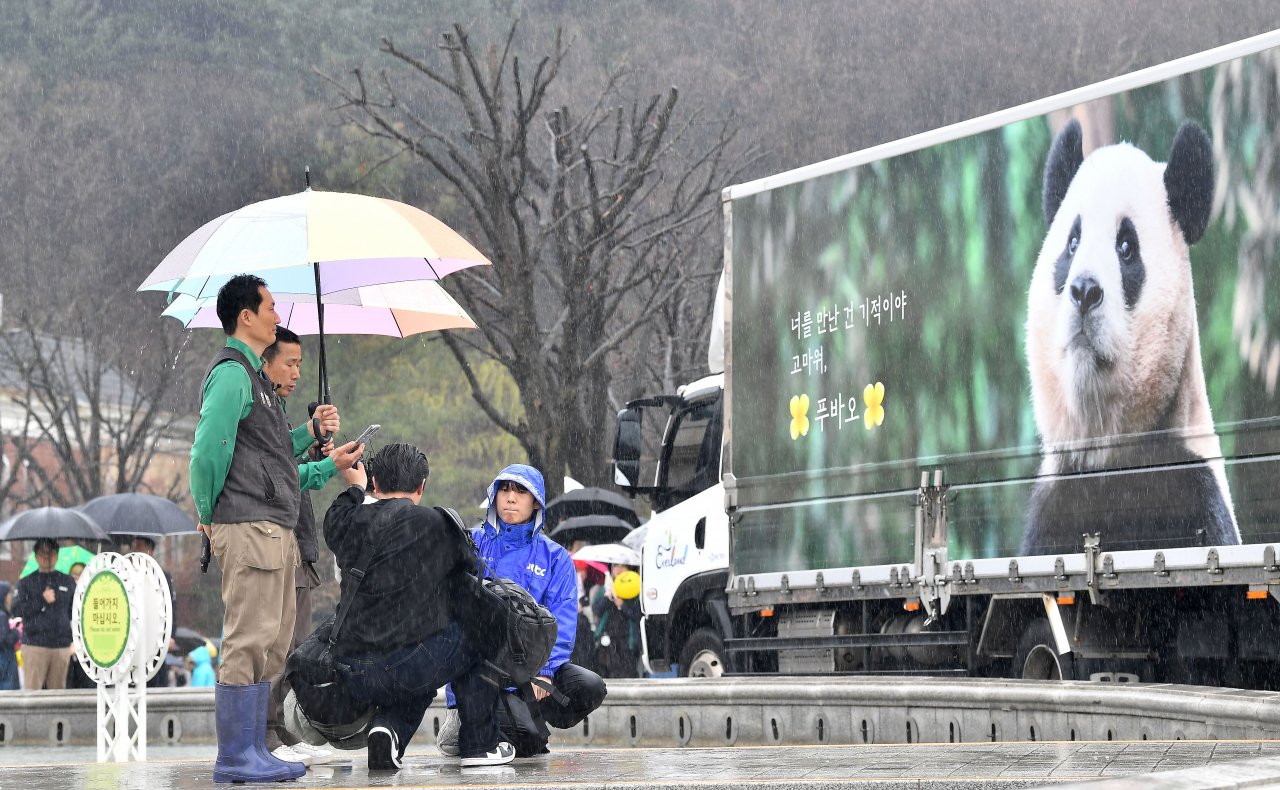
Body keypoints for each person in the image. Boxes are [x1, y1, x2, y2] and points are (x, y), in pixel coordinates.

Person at [189, 274, 363, 783]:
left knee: (273, 639)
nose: (277, 315)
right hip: (247, 526)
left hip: (273, 527)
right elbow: (207, 451)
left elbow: (273, 462)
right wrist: (208, 510)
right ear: (246, 316)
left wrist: (320, 448)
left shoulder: (257, 382)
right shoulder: (232, 373)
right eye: (269, 307)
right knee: (248, 638)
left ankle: (254, 748)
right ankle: (235, 755)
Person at [322, 443, 514, 770]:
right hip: (408, 663)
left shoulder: (344, 520)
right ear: (422, 486)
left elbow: (343, 510)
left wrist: (356, 487)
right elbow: (471, 575)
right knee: (481, 629)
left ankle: (388, 732)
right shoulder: (437, 524)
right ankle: (480, 745)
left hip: (351, 669)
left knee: (419, 667)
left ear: (375, 484)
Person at [438, 465, 606, 758]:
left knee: (590, 686)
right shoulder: (471, 543)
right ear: (494, 496)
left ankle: (524, 713)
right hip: (484, 670)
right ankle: (477, 720)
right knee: (528, 742)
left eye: (521, 491)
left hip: (533, 666)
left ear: (536, 502)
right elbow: (453, 616)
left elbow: (563, 621)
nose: (511, 498)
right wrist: (456, 698)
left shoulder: (555, 557)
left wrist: (547, 671)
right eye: (504, 489)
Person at [258, 326, 335, 768]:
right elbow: (273, 472)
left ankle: (285, 732)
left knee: (296, 647)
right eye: (290, 363)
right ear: (266, 362)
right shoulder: (258, 409)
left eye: (301, 365)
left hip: (299, 542)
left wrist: (320, 453)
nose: (297, 373)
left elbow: (288, 471)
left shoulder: (275, 410)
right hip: (278, 542)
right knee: (276, 647)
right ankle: (269, 734)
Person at [10, 540, 75, 690]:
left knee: (58, 694)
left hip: (61, 645)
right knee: (33, 693)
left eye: (51, 552)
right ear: (36, 556)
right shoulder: (26, 582)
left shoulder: (67, 581)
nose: (47, 556)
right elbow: (17, 609)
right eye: (42, 553)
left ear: (57, 556)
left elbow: (74, 610)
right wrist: (41, 600)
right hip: (34, 645)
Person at [129, 536, 178, 689]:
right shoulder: (126, 574)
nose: (136, 551)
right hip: (133, 638)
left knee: (156, 679)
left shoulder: (162, 576)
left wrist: (171, 635)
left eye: (140, 548)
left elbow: (171, 607)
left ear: (150, 552)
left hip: (156, 637)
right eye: (134, 547)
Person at [0, 583, 19, 690]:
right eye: (9, 593)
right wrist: (15, 633)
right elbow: (2, 640)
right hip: (5, 662)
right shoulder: (2, 616)